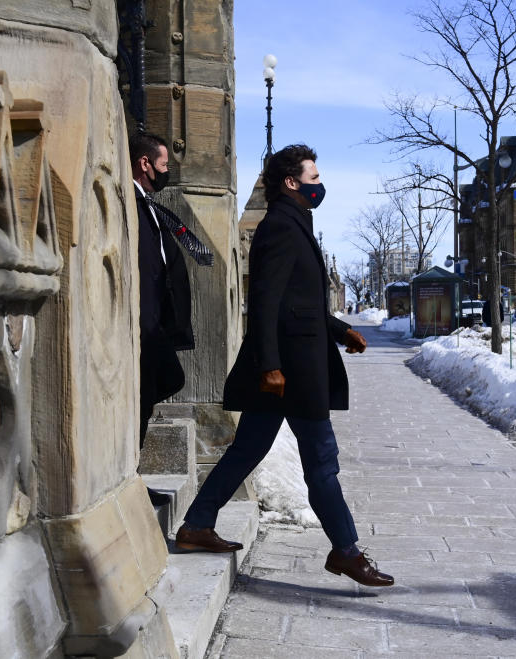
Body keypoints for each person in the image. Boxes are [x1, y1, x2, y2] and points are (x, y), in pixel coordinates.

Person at [175, 144, 394, 587]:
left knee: (248, 449)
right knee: (322, 460)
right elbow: (265, 302)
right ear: (291, 183)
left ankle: (197, 524)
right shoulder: (279, 226)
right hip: (291, 373)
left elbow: (304, 302)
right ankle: (346, 550)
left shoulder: (295, 224)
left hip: (291, 367)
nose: (320, 185)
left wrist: (339, 330)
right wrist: (270, 366)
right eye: (313, 178)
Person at [130, 132, 192, 507]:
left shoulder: (148, 204)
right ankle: (130, 477)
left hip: (154, 326)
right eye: (164, 165)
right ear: (145, 164)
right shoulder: (132, 204)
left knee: (155, 388)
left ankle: (132, 474)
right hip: (142, 325)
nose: (167, 171)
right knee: (149, 390)